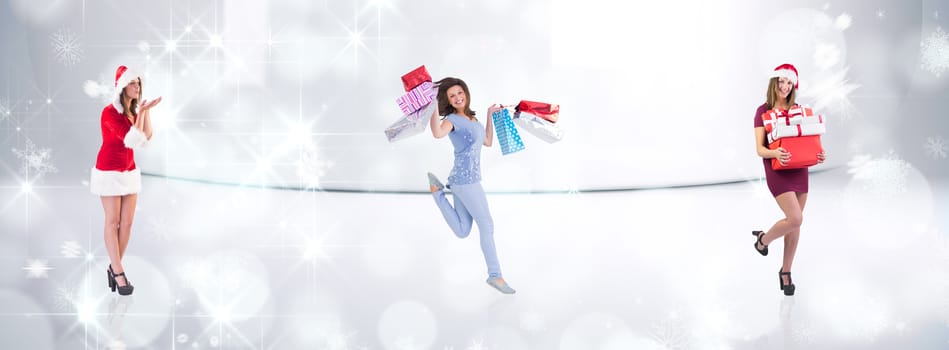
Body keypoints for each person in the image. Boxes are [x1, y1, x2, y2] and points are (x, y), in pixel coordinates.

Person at [426, 77, 515, 294]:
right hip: (466, 182)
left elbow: (487, 141)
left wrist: (489, 114)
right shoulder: (452, 120)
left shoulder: (472, 119)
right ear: (447, 100)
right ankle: (495, 276)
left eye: (460, 93)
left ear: (465, 93)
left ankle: (438, 193)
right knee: (487, 226)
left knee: (463, 230)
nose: (457, 98)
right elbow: (437, 133)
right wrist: (431, 107)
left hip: (463, 181)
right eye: (452, 96)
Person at [751, 63, 825, 296]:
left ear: (793, 86)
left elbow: (808, 141)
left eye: (789, 83)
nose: (784, 86)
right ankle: (763, 241)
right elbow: (760, 149)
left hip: (800, 169)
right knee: (795, 218)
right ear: (774, 82)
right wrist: (775, 153)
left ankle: (786, 271)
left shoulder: (800, 110)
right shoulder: (762, 111)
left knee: (796, 223)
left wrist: (818, 154)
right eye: (781, 81)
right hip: (778, 170)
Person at [89, 65, 161, 295]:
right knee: (113, 222)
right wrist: (141, 113)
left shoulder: (133, 112)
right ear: (122, 87)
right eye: (132, 83)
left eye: (138, 83)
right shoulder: (109, 113)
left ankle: (113, 266)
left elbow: (145, 139)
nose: (137, 87)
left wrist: (145, 112)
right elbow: (131, 139)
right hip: (109, 170)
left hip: (129, 170)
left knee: (127, 223)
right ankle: (119, 272)